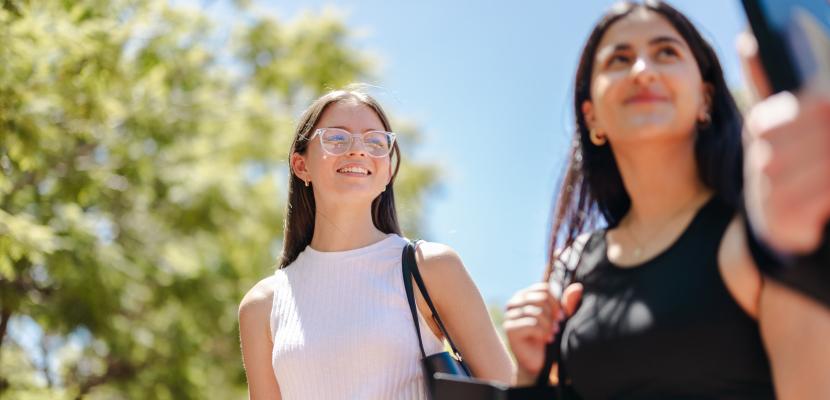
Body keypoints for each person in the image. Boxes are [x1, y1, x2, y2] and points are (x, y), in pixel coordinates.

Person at [503, 1, 830, 399]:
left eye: (666, 52)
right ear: (592, 117)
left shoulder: (762, 235)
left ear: (705, 97)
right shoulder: (571, 264)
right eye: (619, 60)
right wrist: (529, 373)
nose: (643, 71)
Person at [238, 87, 513, 399]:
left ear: (388, 172)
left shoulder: (430, 268)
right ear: (301, 166)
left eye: (375, 141)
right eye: (337, 138)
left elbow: (508, 391)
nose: (358, 150)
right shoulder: (262, 305)